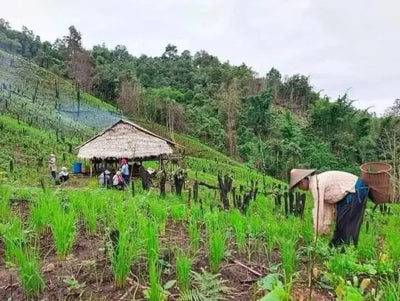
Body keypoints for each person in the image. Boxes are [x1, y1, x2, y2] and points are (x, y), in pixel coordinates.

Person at [289, 169, 369, 247]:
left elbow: (318, 210)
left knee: (347, 225)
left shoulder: (316, 184)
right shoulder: (316, 182)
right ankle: (334, 249)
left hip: (355, 190)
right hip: (348, 193)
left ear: (303, 180)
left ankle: (348, 252)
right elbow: (327, 208)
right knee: (340, 225)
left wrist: (317, 234)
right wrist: (324, 228)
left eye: (299, 186)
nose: (300, 188)